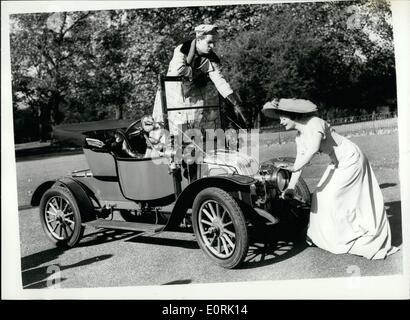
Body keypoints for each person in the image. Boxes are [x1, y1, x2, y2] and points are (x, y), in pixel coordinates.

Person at [262, 98, 399, 260]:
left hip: (351, 158)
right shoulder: (299, 138)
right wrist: (291, 186)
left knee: (332, 195)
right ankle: (317, 235)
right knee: (320, 194)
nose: (281, 122)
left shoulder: (315, 123)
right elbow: (299, 161)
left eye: (283, 118)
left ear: (293, 116)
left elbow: (313, 148)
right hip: (338, 162)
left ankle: (347, 233)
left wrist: (295, 167)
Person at [152, 24, 246, 135]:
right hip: (174, 96)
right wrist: (200, 73)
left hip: (193, 100)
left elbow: (220, 81)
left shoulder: (211, 58)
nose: (212, 46)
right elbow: (179, 70)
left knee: (197, 135)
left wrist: (237, 104)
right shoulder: (183, 49)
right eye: (209, 42)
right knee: (170, 133)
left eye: (214, 43)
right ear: (199, 40)